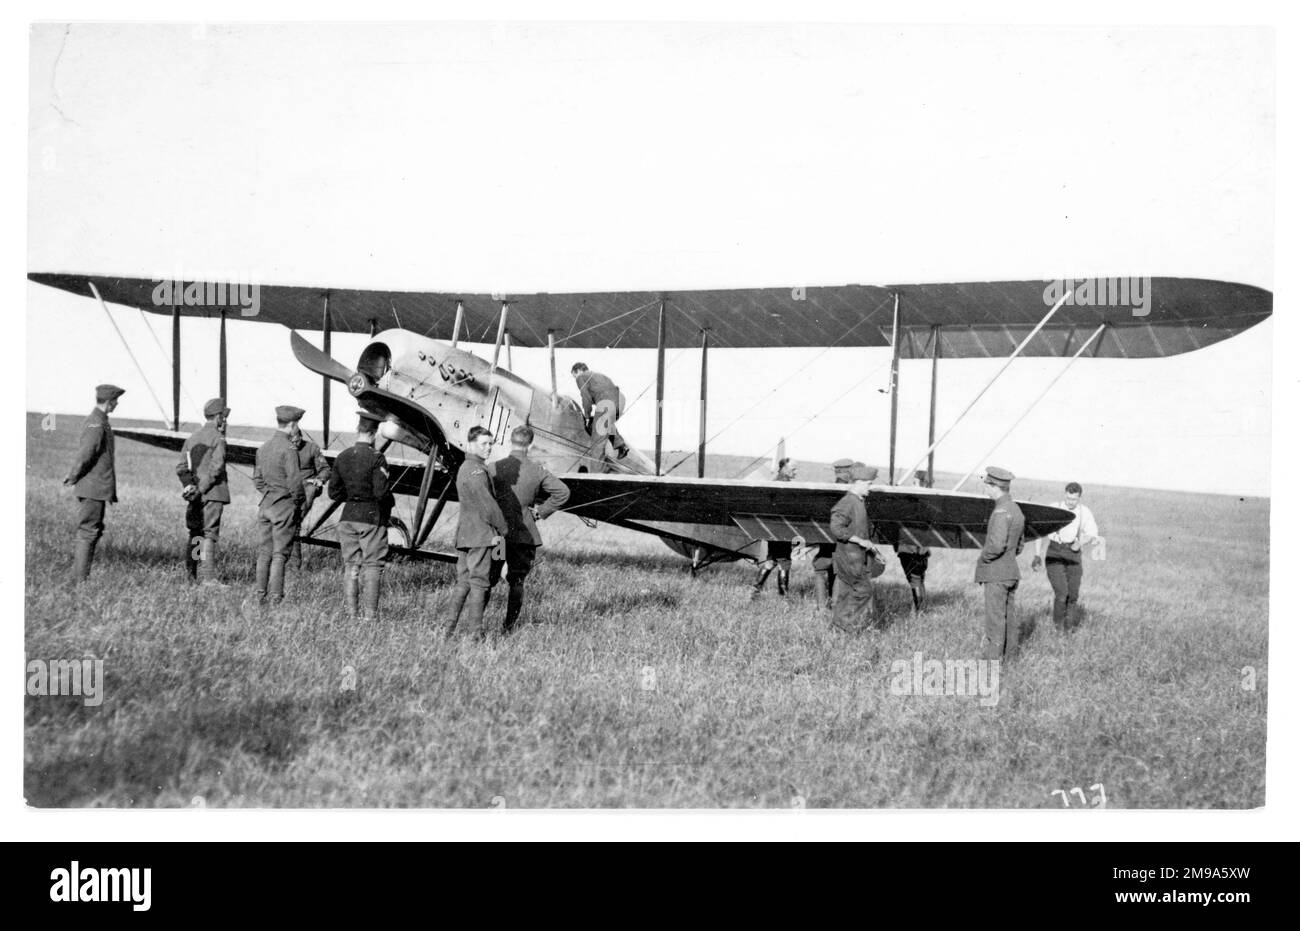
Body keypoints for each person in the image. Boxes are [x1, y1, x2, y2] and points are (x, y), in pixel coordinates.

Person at [486, 425, 571, 633]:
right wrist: (539, 512)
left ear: (510, 441)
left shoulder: (492, 467)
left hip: (499, 537)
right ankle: (508, 629)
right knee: (517, 581)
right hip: (523, 536)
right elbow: (563, 492)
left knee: (489, 577)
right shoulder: (538, 470)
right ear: (531, 445)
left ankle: (476, 623)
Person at [443, 426, 509, 638]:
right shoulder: (477, 471)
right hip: (481, 536)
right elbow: (488, 507)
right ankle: (475, 634)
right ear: (471, 444)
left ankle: (447, 630)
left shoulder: (467, 467)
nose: (489, 448)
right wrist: (504, 528)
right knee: (480, 583)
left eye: (491, 444)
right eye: (484, 444)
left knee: (463, 582)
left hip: (465, 535)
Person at [328, 411, 394, 620]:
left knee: (351, 567)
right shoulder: (377, 458)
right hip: (371, 518)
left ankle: (352, 614)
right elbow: (381, 493)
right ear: (374, 433)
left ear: (359, 429)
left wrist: (353, 494)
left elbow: (334, 493)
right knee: (373, 566)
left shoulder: (343, 456)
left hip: (347, 517)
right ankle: (370, 618)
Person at [63, 384, 124, 584]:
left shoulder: (100, 421)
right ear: (109, 401)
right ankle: (79, 581)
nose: (116, 404)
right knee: (88, 532)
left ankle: (79, 578)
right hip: (93, 488)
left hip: (95, 488)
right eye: (115, 401)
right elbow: (86, 453)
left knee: (91, 531)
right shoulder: (96, 422)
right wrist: (73, 476)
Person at [252, 405, 307, 603]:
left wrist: (269, 493)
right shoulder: (290, 449)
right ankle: (276, 598)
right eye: (296, 425)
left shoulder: (263, 447)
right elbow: (295, 483)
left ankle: (260, 595)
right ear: (292, 424)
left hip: (265, 505)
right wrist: (297, 501)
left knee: (264, 553)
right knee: (279, 555)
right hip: (283, 507)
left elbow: (257, 479)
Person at [1032, 481, 1100, 631]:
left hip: (1073, 554)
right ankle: (1058, 630)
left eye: (1074, 499)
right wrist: (1037, 554)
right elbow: (1039, 531)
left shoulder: (1084, 512)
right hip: (1054, 552)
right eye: (1068, 498)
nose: (1070, 502)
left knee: (1073, 595)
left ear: (1079, 498)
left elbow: (1092, 533)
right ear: (1065, 495)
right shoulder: (1054, 508)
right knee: (1062, 593)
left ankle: (1068, 631)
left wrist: (1080, 543)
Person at [177, 398, 231, 584]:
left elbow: (182, 467)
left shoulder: (192, 438)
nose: (223, 420)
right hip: (212, 493)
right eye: (223, 417)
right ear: (218, 417)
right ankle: (208, 578)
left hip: (195, 496)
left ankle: (192, 576)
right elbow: (216, 468)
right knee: (209, 535)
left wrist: (190, 487)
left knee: (195, 534)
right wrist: (201, 489)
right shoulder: (218, 438)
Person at [975, 466, 1026, 660]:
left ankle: (992, 665)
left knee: (995, 622)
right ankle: (1010, 660)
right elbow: (1020, 545)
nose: (985, 488)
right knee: (1009, 620)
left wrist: (983, 559)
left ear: (993, 486)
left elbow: (996, 545)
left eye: (986, 485)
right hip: (1011, 572)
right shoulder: (1016, 510)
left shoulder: (1000, 512)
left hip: (996, 575)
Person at [828, 464, 883, 632]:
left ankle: (837, 628)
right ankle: (845, 625)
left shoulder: (857, 501)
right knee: (863, 591)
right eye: (868, 484)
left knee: (845, 593)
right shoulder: (848, 502)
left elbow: (860, 532)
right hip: (850, 558)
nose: (870, 488)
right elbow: (836, 528)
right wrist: (859, 541)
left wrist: (873, 550)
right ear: (858, 482)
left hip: (856, 557)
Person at [811, 457, 856, 610]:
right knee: (840, 570)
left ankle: (821, 608)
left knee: (821, 568)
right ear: (849, 471)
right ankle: (836, 606)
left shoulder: (828, 490)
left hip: (825, 534)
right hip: (842, 537)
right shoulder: (851, 492)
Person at [288, 422, 331, 569]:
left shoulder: (312, 448)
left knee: (295, 521)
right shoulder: (284, 449)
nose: (295, 442)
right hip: (288, 488)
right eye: (291, 440)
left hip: (307, 485)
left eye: (297, 439)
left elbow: (325, 468)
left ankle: (294, 564)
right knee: (291, 525)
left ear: (301, 436)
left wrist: (320, 480)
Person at [752, 457, 797, 597]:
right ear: (784, 468)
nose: (795, 472)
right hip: (782, 529)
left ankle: (755, 591)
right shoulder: (785, 485)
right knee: (784, 561)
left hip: (774, 529)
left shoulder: (776, 481)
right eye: (793, 469)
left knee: (772, 560)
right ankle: (783, 596)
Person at [570, 362, 629, 459]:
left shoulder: (581, 377)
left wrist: (587, 417)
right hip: (620, 400)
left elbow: (586, 398)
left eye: (574, 375)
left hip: (606, 402)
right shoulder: (600, 375)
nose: (575, 379)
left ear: (579, 371)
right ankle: (621, 445)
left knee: (597, 441)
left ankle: (598, 470)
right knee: (605, 423)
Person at [894, 470, 932, 612]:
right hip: (922, 550)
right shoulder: (929, 502)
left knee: (914, 581)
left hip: (910, 549)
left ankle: (919, 610)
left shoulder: (912, 501)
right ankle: (920, 609)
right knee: (919, 579)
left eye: (914, 481)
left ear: (919, 482)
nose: (912, 483)